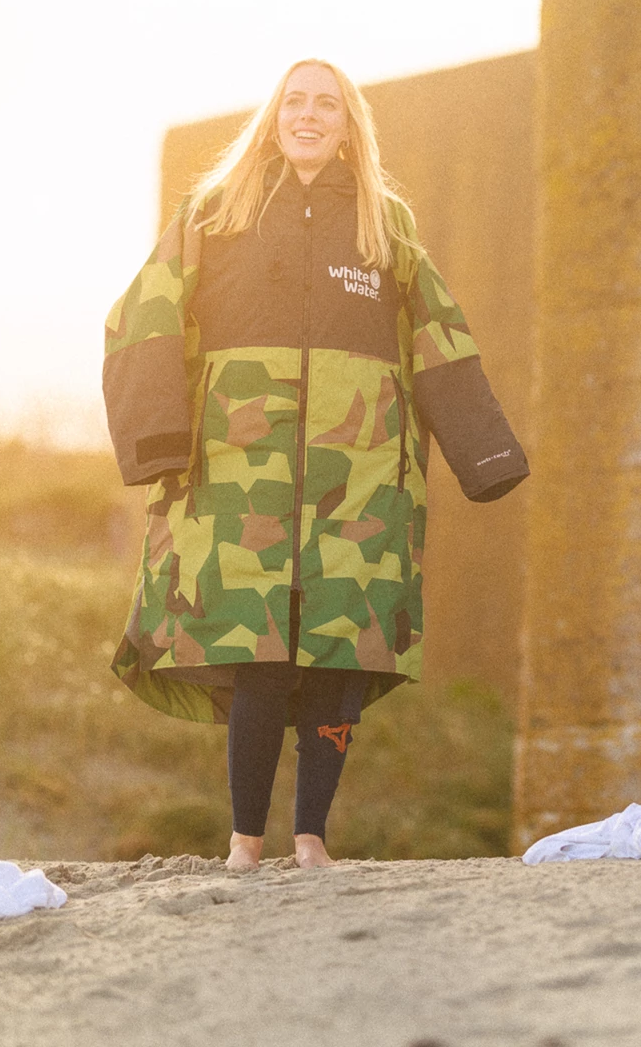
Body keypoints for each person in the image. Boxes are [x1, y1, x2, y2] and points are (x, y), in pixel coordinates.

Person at [102, 59, 528, 870]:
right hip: (241, 477)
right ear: (273, 118)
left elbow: (442, 334)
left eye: (325, 104)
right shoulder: (215, 211)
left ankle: (312, 840)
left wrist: (486, 457)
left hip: (359, 480)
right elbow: (141, 314)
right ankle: (243, 842)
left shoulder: (385, 224)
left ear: (347, 125)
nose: (308, 115)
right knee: (258, 654)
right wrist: (158, 440)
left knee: (338, 654)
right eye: (294, 101)